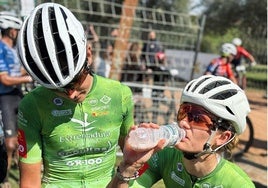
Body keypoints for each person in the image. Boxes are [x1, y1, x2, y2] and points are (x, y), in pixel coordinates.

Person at [16, 3, 134, 188]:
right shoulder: (32, 105)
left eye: (75, 81)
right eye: (58, 89)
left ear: (89, 54)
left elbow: (133, 160)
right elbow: (29, 182)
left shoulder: (119, 94)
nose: (70, 94)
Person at [107, 75, 255, 188]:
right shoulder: (165, 156)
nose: (183, 122)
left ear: (222, 137)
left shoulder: (237, 184)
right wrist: (128, 168)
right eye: (183, 112)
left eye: (197, 118)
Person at [0, 11, 33, 187]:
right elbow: (4, 79)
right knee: (10, 143)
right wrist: (27, 79)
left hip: (17, 94)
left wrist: (30, 71)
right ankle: (4, 177)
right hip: (5, 96)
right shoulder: (0, 48)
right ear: (10, 30)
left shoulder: (12, 49)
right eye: (16, 29)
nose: (18, 33)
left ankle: (26, 170)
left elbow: (14, 73)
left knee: (25, 136)